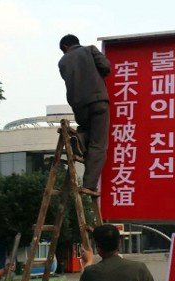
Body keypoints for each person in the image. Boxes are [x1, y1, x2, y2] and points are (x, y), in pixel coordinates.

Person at [58, 34, 111, 195]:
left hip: (78, 106)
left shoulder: (63, 61)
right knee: (98, 143)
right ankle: (89, 184)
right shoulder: (90, 50)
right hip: (97, 101)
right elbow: (106, 68)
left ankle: (79, 139)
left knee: (86, 131)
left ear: (65, 47)